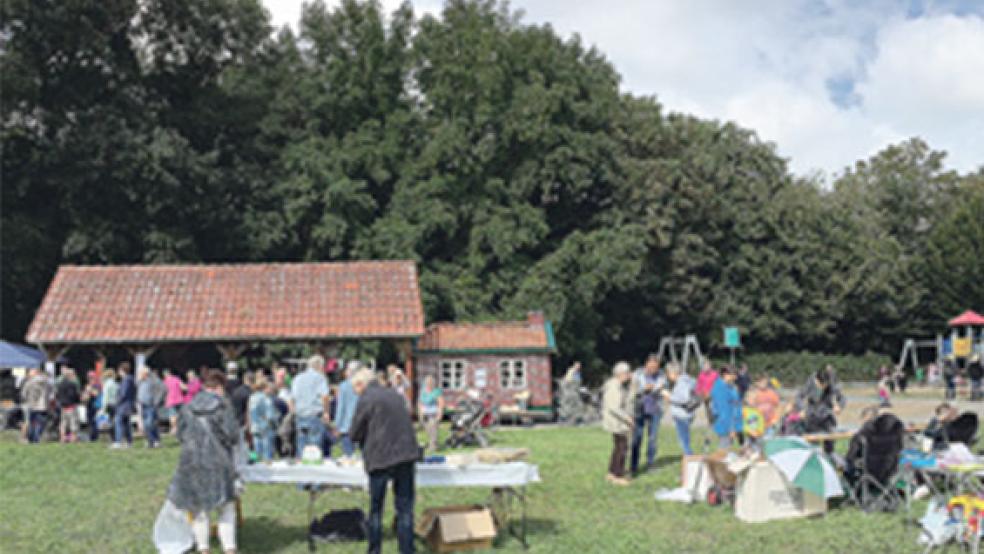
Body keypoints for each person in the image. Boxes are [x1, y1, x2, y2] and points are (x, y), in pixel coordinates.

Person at [167, 369, 242, 554]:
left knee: (199, 511)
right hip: (220, 461)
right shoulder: (223, 406)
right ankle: (229, 549)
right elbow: (232, 436)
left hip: (192, 462)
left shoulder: (187, 407)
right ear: (218, 387)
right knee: (226, 509)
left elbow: (180, 435)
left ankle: (203, 549)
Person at [350, 368, 420, 554]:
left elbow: (355, 431)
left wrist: (355, 436)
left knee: (376, 509)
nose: (355, 393)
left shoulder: (367, 398)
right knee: (405, 509)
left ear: (360, 384)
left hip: (380, 456)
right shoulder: (394, 394)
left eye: (354, 389)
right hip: (406, 454)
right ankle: (407, 550)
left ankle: (374, 550)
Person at [790, 366, 846, 454]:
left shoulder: (831, 384)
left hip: (826, 415)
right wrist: (801, 409)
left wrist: (839, 406)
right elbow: (798, 397)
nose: (823, 387)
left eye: (825, 385)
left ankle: (829, 455)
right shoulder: (810, 382)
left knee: (830, 439)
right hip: (812, 416)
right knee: (812, 441)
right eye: (821, 385)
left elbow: (842, 398)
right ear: (816, 380)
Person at [629, 355, 665, 475]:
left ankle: (650, 464)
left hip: (655, 409)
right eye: (651, 367)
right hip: (639, 409)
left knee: (652, 438)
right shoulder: (637, 374)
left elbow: (662, 388)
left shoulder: (661, 375)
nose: (653, 370)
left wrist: (654, 389)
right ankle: (633, 466)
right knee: (637, 437)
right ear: (646, 364)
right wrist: (644, 389)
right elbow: (632, 391)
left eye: (656, 367)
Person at [290, 355, 331, 458]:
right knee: (315, 449)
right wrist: (326, 412)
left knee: (301, 446)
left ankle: (301, 470)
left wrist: (294, 412)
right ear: (319, 366)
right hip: (314, 415)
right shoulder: (320, 378)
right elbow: (325, 396)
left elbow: (292, 399)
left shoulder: (297, 378)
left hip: (300, 415)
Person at [602, 362, 634, 486]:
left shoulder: (617, 385)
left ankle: (612, 472)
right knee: (621, 448)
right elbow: (613, 407)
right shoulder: (614, 387)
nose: (629, 375)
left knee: (619, 447)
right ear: (621, 374)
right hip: (616, 422)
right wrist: (627, 418)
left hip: (618, 421)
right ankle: (617, 474)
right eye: (627, 373)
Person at [662, 362, 697, 455]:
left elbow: (684, 398)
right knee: (685, 438)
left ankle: (689, 458)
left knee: (684, 441)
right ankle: (689, 457)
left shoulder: (682, 382)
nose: (668, 376)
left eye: (668, 373)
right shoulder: (689, 379)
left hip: (682, 414)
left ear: (673, 373)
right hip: (688, 413)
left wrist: (670, 397)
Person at [710, 367, 741, 449]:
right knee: (724, 448)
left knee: (728, 446)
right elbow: (723, 411)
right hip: (725, 425)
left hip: (731, 422)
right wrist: (731, 428)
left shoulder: (729, 387)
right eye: (733, 375)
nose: (736, 377)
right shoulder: (720, 388)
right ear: (725, 375)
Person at [334, 362, 361, 457]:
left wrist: (337, 425)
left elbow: (341, 407)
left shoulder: (343, 386)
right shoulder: (363, 385)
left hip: (346, 425)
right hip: (362, 424)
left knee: (348, 456)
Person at [248, 377, 278, 461]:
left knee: (256, 451)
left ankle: (255, 464)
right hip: (265, 428)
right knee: (266, 453)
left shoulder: (252, 397)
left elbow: (250, 412)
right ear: (264, 387)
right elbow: (270, 415)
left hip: (255, 427)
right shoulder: (266, 398)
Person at [22, 368, 52, 443]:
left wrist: (28, 400)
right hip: (43, 406)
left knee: (32, 422)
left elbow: (24, 394)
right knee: (40, 423)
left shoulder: (29, 382)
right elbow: (51, 393)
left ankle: (31, 438)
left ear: (35, 373)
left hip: (32, 405)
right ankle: (36, 438)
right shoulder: (47, 383)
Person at [137, 367, 164, 448]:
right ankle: (156, 441)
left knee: (149, 423)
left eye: (140, 373)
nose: (139, 375)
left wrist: (157, 401)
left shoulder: (153, 380)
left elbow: (163, 389)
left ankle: (150, 441)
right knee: (150, 424)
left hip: (151, 405)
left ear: (145, 373)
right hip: (143, 405)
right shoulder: (140, 382)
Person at [113, 362, 137, 449]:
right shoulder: (131, 379)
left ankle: (118, 441)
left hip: (123, 405)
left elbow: (123, 393)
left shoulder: (126, 380)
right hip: (129, 405)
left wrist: (117, 401)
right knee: (127, 424)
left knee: (119, 423)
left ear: (122, 371)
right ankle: (129, 442)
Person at [418, 375, 444, 452]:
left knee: (433, 429)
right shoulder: (423, 391)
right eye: (427, 382)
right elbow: (420, 402)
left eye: (430, 382)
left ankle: (433, 447)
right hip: (424, 414)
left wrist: (440, 414)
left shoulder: (436, 391)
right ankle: (433, 443)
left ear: (433, 383)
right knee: (428, 430)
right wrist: (420, 412)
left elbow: (441, 403)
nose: (429, 383)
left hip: (434, 413)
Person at [56, 367, 82, 443]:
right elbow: (74, 395)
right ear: (69, 375)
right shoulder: (72, 384)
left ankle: (62, 438)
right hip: (71, 405)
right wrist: (78, 400)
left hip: (63, 406)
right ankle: (73, 438)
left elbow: (57, 395)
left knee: (63, 422)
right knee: (73, 422)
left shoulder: (60, 384)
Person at [695, 360, 719, 426]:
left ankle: (715, 421)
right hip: (704, 395)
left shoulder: (715, 374)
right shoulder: (701, 375)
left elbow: (719, 383)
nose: (706, 367)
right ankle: (710, 422)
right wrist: (697, 392)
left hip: (713, 394)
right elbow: (698, 384)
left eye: (707, 366)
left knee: (713, 408)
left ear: (710, 366)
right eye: (704, 366)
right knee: (708, 409)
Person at [163, 369, 186, 435]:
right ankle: (181, 427)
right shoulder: (176, 379)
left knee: (172, 415)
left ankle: (174, 428)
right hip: (179, 399)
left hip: (170, 401)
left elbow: (163, 392)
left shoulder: (164, 382)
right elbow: (183, 387)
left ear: (165, 375)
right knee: (180, 415)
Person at [83, 370, 102, 442]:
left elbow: (96, 394)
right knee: (90, 421)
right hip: (88, 405)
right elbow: (85, 395)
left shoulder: (97, 385)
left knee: (94, 421)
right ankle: (91, 436)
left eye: (91, 377)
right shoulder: (88, 385)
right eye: (89, 377)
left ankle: (94, 437)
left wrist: (89, 390)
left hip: (95, 405)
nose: (90, 379)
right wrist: (84, 396)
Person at [101, 368, 119, 435]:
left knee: (110, 422)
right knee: (115, 422)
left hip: (109, 405)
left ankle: (113, 439)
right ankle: (117, 437)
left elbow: (105, 397)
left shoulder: (106, 384)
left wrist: (103, 408)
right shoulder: (116, 384)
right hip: (116, 404)